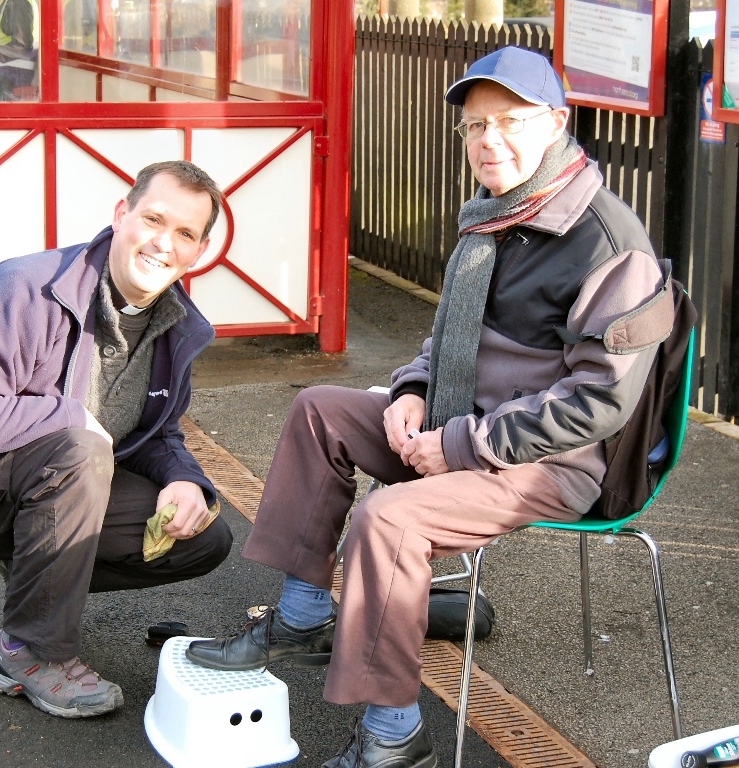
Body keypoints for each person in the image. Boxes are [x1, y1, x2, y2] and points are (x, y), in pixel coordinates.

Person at [185, 47, 673, 767]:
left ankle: (392, 736)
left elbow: (598, 403)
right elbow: (447, 335)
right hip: (460, 424)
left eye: (509, 121)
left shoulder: (604, 241)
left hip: (551, 462)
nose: (488, 141)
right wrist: (412, 392)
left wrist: (457, 445)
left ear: (557, 123)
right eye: (474, 127)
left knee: (388, 518)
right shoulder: (495, 215)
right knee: (319, 410)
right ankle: (301, 616)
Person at [0, 160, 233, 719]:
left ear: (200, 250)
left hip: (42, 488)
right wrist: (65, 416)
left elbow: (159, 433)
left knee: (203, 537)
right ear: (122, 216)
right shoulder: (23, 287)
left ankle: (35, 584)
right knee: (79, 446)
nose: (164, 244)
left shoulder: (176, 324)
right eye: (154, 219)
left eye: (185, 234)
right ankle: (30, 651)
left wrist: (188, 480)